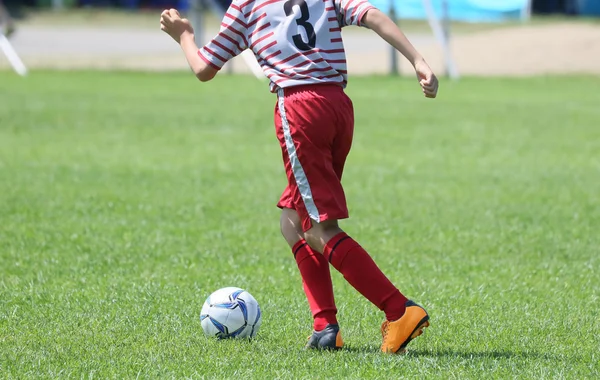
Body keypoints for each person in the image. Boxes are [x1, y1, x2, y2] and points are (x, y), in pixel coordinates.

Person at [160, 0, 438, 354]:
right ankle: (325, 327)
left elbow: (203, 67)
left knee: (318, 228)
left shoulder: (246, 6)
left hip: (300, 108)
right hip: (337, 106)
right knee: (293, 221)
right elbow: (371, 15)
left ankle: (399, 310)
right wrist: (419, 60)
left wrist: (184, 35)